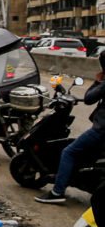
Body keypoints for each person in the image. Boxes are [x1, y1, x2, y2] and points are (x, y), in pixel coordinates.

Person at [35, 68, 105, 204]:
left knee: (69, 152)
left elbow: (89, 98)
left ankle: (57, 192)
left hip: (101, 129)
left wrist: (98, 81)